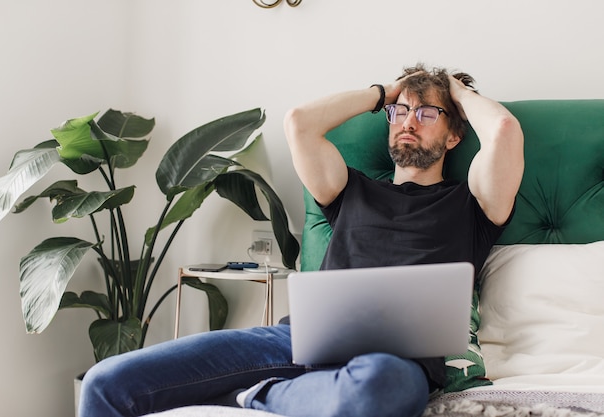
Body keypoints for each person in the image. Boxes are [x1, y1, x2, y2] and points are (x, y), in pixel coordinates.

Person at [79, 64, 524, 417]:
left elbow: (503, 131)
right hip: (298, 340)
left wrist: (455, 90)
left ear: (454, 134)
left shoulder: (471, 205)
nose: (408, 122)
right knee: (106, 384)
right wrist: (387, 91)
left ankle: (253, 397)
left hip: (393, 362)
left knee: (379, 390)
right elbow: (300, 123)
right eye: (401, 112)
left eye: (427, 113)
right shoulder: (351, 189)